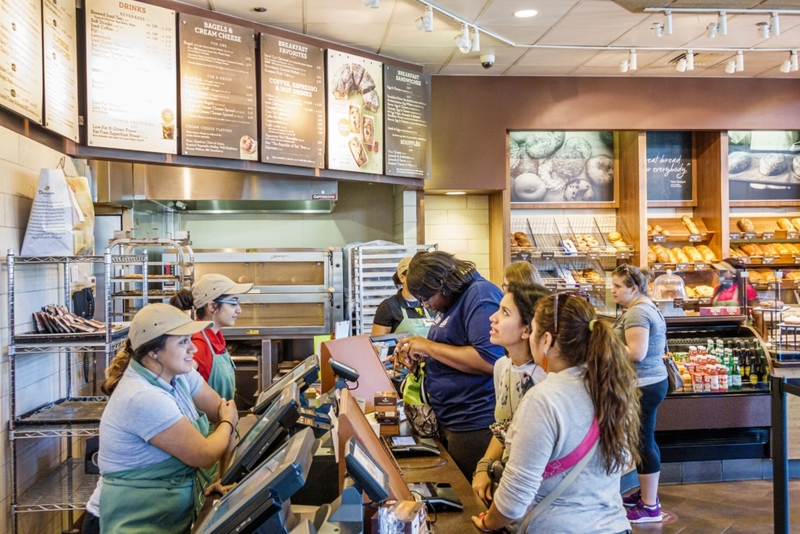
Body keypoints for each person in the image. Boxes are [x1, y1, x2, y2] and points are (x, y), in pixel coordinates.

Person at [472, 293, 640, 533]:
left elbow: (513, 501)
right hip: (614, 526)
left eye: (534, 331)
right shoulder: (612, 387)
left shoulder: (544, 400)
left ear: (547, 340)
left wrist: (488, 522)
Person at [82, 304, 238, 534]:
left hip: (164, 519)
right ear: (154, 351)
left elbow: (220, 411)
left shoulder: (180, 376)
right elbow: (205, 453)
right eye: (182, 342)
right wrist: (226, 422)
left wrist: (223, 477)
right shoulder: (142, 396)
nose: (193, 349)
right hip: (126, 522)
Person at [396, 251, 504, 479]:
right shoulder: (452, 302)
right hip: (452, 420)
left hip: (474, 423)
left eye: (427, 298)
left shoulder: (479, 296)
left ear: (442, 284)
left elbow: (490, 360)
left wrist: (428, 347)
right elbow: (452, 348)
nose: (427, 306)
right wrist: (421, 357)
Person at [472, 281, 551, 506]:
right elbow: (505, 426)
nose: (492, 318)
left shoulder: (546, 378)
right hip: (509, 483)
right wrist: (484, 466)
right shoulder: (501, 367)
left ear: (528, 329)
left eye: (505, 312)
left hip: (538, 495)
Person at [611, 264, 669, 524]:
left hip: (643, 385)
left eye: (617, 287)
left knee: (642, 442)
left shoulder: (637, 313)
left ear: (633, 288)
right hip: (651, 382)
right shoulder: (646, 306)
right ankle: (647, 496)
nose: (612, 291)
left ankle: (650, 506)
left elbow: (636, 353)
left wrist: (605, 344)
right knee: (644, 441)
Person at [170, 273, 253, 401]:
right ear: (212, 306)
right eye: (233, 303)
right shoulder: (198, 344)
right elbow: (176, 385)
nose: (239, 310)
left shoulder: (215, 337)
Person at [371, 256, 433, 337]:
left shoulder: (431, 303)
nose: (420, 279)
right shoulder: (389, 307)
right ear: (402, 277)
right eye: (415, 275)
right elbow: (377, 346)